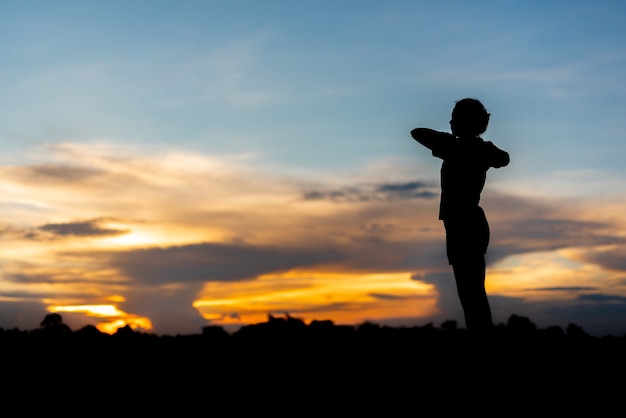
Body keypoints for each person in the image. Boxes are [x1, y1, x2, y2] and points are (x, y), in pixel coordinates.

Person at [411, 98, 510, 335]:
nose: (450, 122)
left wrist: (457, 140)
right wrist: (474, 142)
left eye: (455, 118)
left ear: (465, 122)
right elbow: (502, 158)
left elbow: (418, 132)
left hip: (464, 224)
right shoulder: (472, 148)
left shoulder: (454, 147)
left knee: (470, 292)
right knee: (472, 292)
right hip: (467, 223)